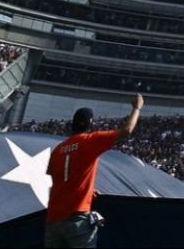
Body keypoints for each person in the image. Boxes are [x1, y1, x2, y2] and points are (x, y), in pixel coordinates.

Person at [44, 95, 143, 248]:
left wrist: (87, 191)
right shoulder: (89, 140)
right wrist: (137, 108)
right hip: (76, 218)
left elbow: (59, 180)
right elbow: (126, 131)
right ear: (90, 124)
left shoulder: (57, 150)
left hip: (53, 220)